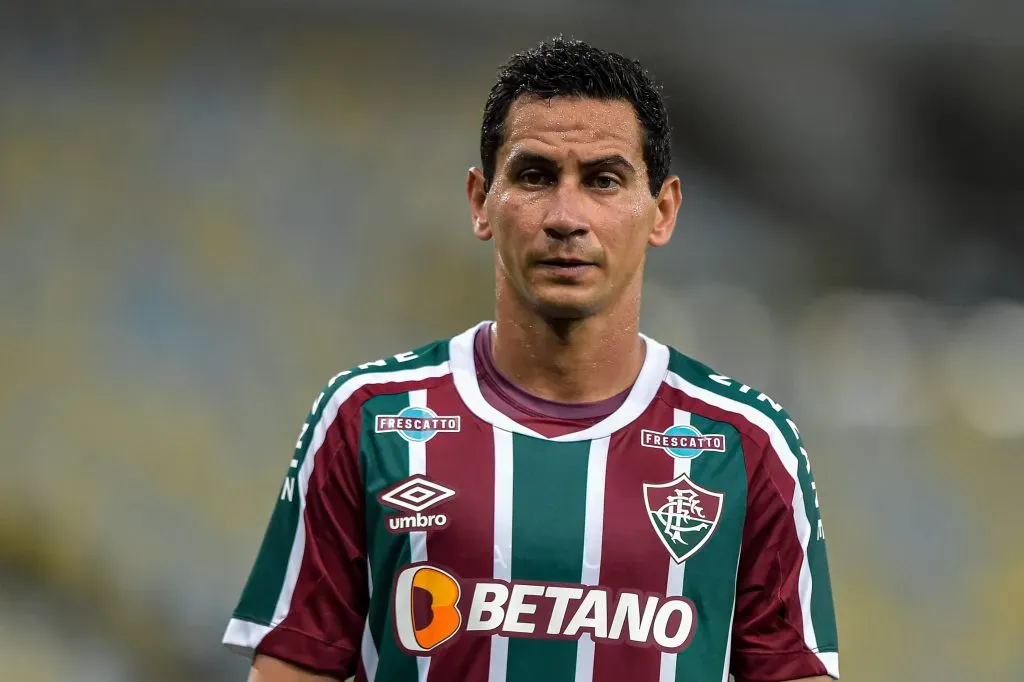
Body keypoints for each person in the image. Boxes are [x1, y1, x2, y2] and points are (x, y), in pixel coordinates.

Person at [223, 37, 839, 682]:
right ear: (480, 201)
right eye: (535, 176)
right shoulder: (369, 418)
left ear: (662, 210)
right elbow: (293, 670)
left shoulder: (746, 444)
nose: (566, 216)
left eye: (603, 180)